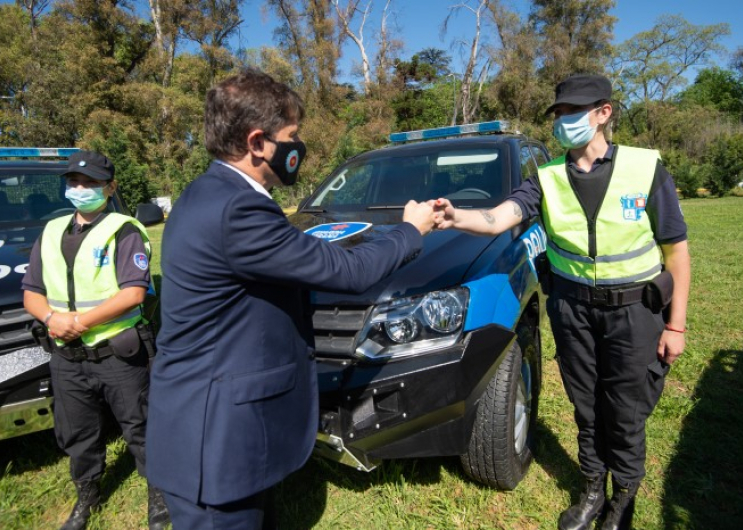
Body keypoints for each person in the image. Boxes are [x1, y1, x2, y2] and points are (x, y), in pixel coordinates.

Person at [145, 68, 435, 530]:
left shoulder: (209, 193)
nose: (298, 147)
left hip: (209, 422)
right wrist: (409, 229)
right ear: (258, 141)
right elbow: (350, 271)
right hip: (214, 443)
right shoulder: (238, 209)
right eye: (292, 136)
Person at [432, 74, 690, 530]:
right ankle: (592, 487)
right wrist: (456, 216)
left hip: (635, 312)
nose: (564, 121)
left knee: (625, 410)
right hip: (572, 310)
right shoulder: (546, 178)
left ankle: (623, 499)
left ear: (603, 113)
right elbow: (498, 218)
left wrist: (676, 326)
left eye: (574, 111)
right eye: (560, 114)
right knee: (587, 405)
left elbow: (677, 251)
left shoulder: (645, 169)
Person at [22, 150, 169, 530]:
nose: (81, 189)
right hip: (67, 356)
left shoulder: (124, 229)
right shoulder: (51, 231)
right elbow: (31, 292)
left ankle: (159, 495)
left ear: (110, 187)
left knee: (140, 426)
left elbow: (133, 292)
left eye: (91, 183)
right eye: (74, 182)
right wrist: (54, 318)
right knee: (77, 432)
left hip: (119, 354)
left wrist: (79, 321)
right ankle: (87, 495)